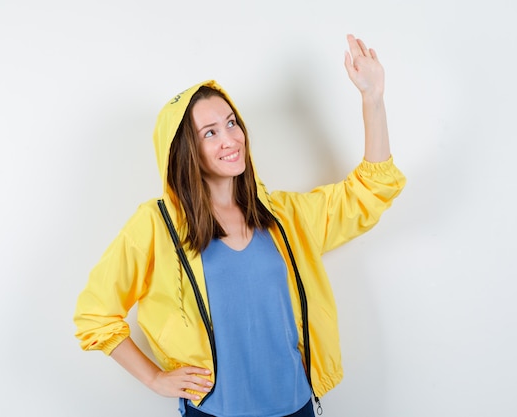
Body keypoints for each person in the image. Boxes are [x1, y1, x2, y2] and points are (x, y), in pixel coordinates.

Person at [73, 34, 406, 417]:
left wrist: (373, 99)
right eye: (210, 132)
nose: (231, 139)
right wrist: (154, 379)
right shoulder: (156, 225)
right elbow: (94, 315)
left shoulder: (284, 216)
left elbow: (370, 190)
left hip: (297, 406)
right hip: (214, 411)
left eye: (232, 123)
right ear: (185, 150)